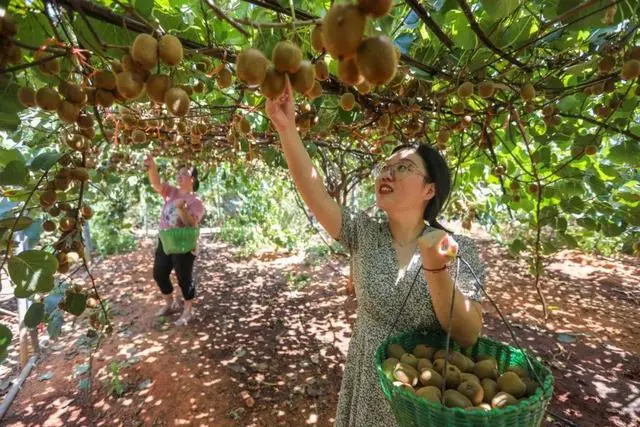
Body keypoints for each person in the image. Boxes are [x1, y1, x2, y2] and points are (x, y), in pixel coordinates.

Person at [266, 80, 486, 426]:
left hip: (422, 397)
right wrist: (286, 128)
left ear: (430, 189)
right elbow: (314, 191)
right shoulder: (364, 234)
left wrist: (436, 269)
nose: (387, 173)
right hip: (369, 376)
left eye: (403, 167)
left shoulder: (457, 249)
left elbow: (468, 333)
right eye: (385, 167)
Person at [144, 155, 205, 326]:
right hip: (166, 240)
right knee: (159, 273)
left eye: (184, 173)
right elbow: (156, 184)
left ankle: (188, 310)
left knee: (183, 277)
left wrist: (183, 209)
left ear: (192, 179)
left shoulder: (196, 202)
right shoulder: (171, 192)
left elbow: (191, 224)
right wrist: (152, 167)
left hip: (184, 243)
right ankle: (170, 303)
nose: (179, 176)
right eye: (178, 173)